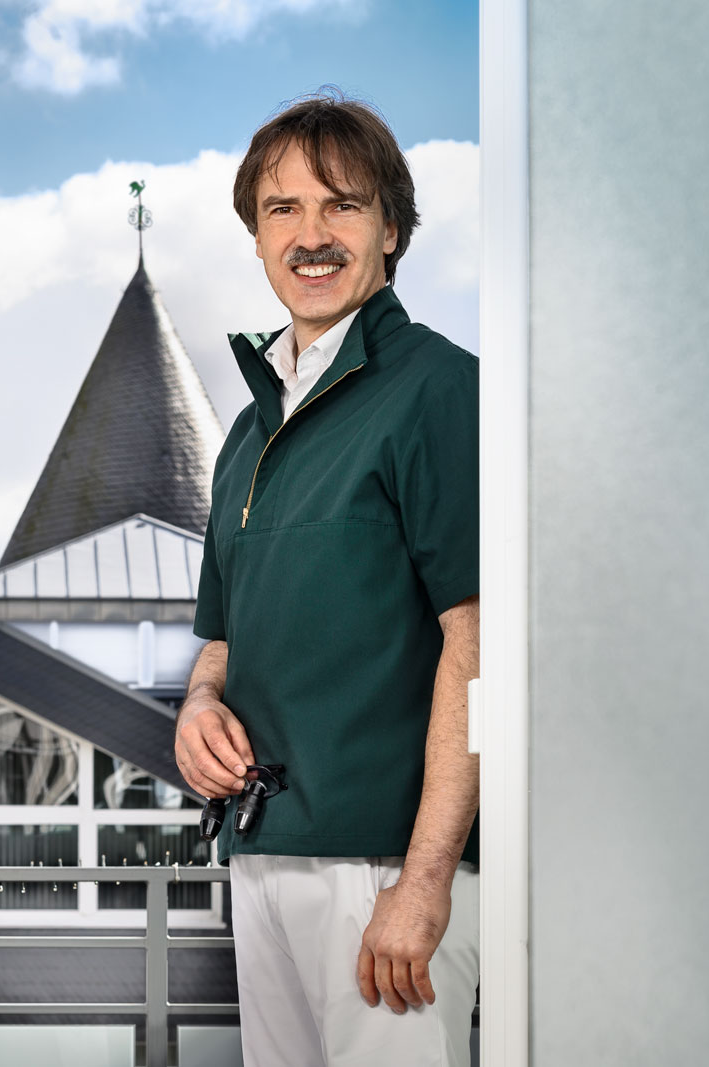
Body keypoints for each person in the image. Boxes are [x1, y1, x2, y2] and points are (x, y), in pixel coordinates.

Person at [174, 93, 481, 1066]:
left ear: (390, 228)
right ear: (255, 237)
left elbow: (481, 646)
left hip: (387, 873)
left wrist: (426, 877)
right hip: (262, 859)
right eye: (281, 210)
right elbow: (220, 645)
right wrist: (195, 708)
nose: (310, 235)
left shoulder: (440, 390)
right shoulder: (245, 437)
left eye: (340, 205)